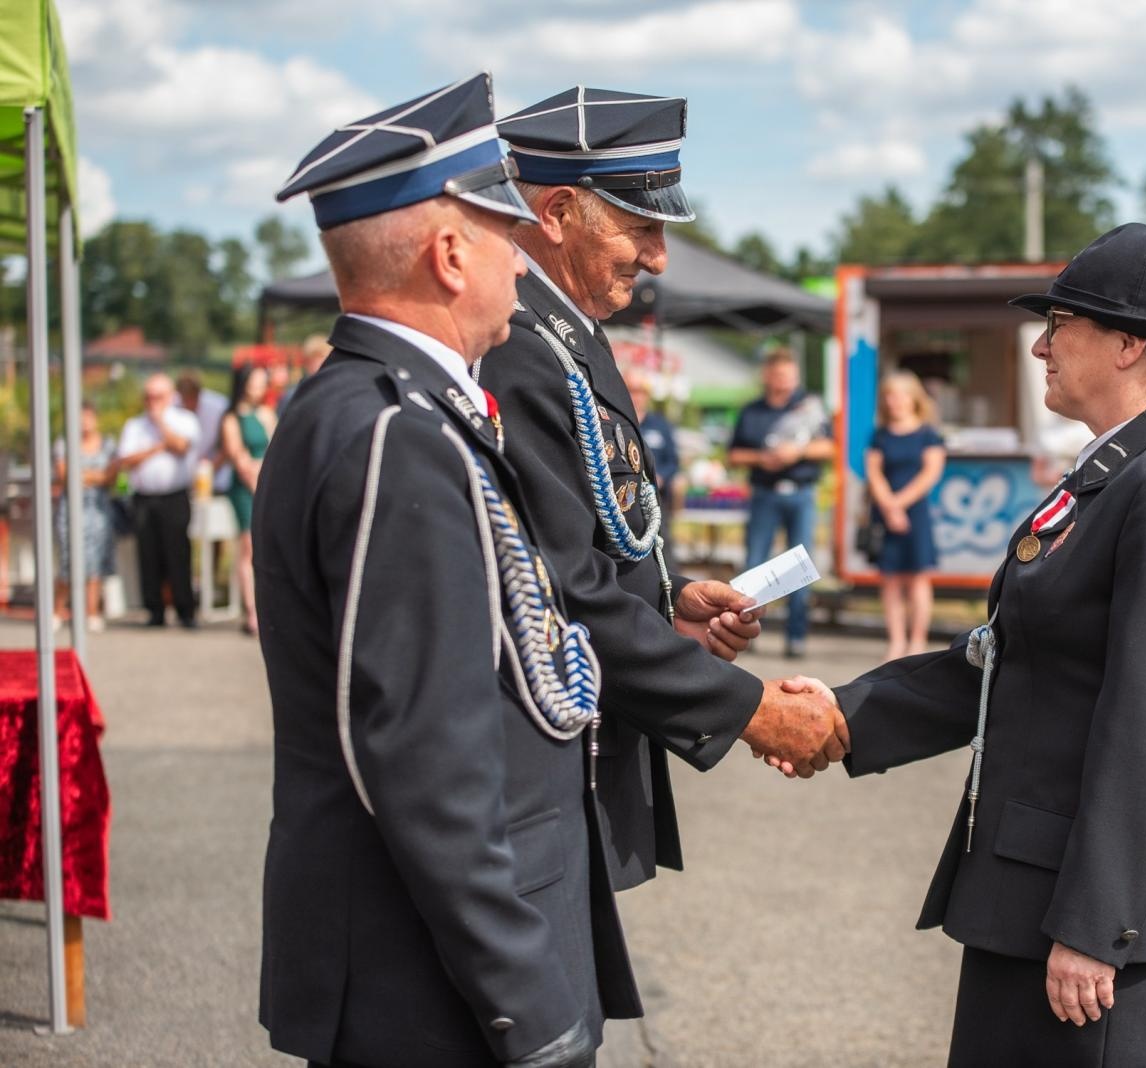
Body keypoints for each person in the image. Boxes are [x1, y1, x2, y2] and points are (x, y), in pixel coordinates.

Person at [766, 224, 1146, 1066]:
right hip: (1027, 896)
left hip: (1089, 928)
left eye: (1060, 325)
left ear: (1127, 344)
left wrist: (1093, 927)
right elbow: (1012, 657)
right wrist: (847, 715)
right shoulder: (1115, 474)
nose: (1041, 346)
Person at [256, 73, 636, 1067]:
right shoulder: (397, 433)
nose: (522, 258)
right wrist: (528, 1004)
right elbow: (425, 760)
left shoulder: (379, 410)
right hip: (434, 986)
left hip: (431, 964)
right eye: (508, 233)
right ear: (451, 253)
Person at [479, 87, 847, 896]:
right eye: (640, 228)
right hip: (537, 762)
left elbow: (589, 530)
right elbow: (559, 589)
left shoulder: (565, 334)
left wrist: (668, 597)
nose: (657, 258)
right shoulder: (519, 347)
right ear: (559, 213)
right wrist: (749, 710)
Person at [728, 347, 834, 658]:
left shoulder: (810, 407)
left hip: (801, 493)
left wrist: (796, 453)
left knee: (800, 567)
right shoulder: (752, 411)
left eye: (789, 375)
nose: (785, 381)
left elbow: (830, 448)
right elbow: (734, 454)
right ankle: (746, 631)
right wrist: (762, 458)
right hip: (765, 493)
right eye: (778, 375)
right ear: (767, 376)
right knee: (754, 565)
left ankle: (796, 636)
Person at [867, 370, 946, 660]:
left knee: (918, 579)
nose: (894, 402)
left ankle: (917, 640)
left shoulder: (928, 434)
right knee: (890, 580)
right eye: (889, 396)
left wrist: (898, 504)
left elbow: (930, 474)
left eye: (900, 395)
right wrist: (889, 506)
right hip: (885, 513)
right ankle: (896, 641)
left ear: (914, 399)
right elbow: (874, 474)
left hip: (916, 513)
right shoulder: (880, 435)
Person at [117, 372, 200, 629]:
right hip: (144, 497)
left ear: (170, 396)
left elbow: (181, 446)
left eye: (158, 396)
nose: (152, 402)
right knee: (148, 555)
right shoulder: (134, 425)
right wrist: (156, 448)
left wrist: (161, 424)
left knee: (178, 553)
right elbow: (126, 459)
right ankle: (154, 610)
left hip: (174, 496)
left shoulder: (184, 420)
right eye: (148, 397)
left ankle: (185, 610)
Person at [219, 364, 276, 637]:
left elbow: (276, 448)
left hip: (266, 480)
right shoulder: (232, 418)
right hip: (247, 487)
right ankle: (251, 610)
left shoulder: (266, 414)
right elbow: (238, 456)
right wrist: (257, 484)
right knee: (248, 545)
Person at [52, 403, 119, 633]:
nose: (84, 422)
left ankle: (92, 612)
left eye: (88, 417)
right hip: (71, 509)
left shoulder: (107, 444)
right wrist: (94, 476)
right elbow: (64, 475)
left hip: (98, 509)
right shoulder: (64, 443)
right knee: (68, 559)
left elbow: (111, 475)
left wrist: (83, 475)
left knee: (95, 561)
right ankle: (57, 610)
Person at [625, 366, 681, 520]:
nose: (636, 396)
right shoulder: (616, 424)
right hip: (626, 499)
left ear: (647, 394)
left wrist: (660, 477)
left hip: (657, 499)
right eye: (631, 390)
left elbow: (673, 461)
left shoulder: (660, 425)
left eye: (640, 391)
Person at [176, 370, 229, 482]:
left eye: (191, 399)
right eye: (184, 399)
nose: (187, 404)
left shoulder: (219, 407)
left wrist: (209, 470)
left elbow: (226, 446)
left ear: (198, 394)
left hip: (214, 475)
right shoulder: (173, 405)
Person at [275, 333, 332, 417]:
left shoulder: (336, 393)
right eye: (313, 359)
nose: (317, 364)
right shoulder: (292, 395)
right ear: (306, 362)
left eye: (321, 358)